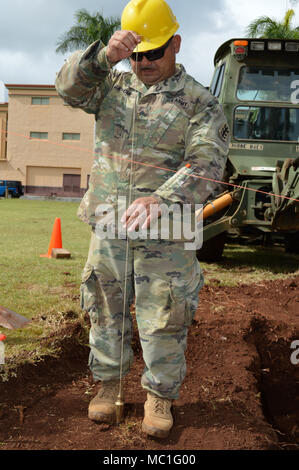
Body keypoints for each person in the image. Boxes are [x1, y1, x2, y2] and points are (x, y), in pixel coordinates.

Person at [55, 0, 229, 438]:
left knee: (165, 315)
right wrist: (104, 57)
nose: (144, 62)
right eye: (137, 54)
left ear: (176, 44)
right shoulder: (111, 85)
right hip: (110, 223)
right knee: (104, 308)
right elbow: (67, 90)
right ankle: (109, 387)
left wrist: (162, 198)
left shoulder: (199, 101)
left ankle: (159, 396)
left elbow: (207, 162)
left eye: (154, 52)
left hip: (168, 231)